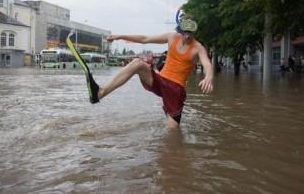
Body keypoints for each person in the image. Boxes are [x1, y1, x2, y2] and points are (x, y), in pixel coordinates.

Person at [86, 17, 214, 128]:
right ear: (180, 30)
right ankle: (100, 93)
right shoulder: (172, 37)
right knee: (137, 63)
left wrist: (208, 77)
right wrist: (120, 36)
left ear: (193, 31)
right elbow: (145, 39)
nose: (186, 36)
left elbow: (207, 64)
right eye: (184, 32)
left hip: (175, 90)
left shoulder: (198, 48)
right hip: (160, 81)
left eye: (189, 33)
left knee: (173, 133)